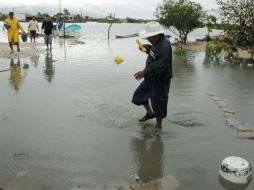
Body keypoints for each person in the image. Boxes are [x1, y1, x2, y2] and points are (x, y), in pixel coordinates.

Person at [132, 21, 173, 131]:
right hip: (150, 78)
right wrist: (146, 48)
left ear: (156, 34)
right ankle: (150, 113)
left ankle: (159, 126)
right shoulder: (156, 42)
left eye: (148, 37)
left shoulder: (165, 45)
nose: (147, 39)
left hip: (161, 80)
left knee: (158, 103)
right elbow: (154, 51)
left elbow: (161, 65)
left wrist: (144, 72)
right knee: (138, 96)